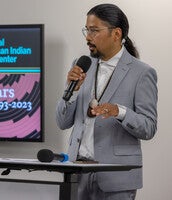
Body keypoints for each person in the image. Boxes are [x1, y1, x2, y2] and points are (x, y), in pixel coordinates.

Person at [56, 3, 157, 200]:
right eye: (87, 30)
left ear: (116, 34)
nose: (87, 37)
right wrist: (73, 91)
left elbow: (149, 127)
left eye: (94, 30)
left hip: (117, 177)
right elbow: (62, 122)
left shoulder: (142, 73)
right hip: (77, 172)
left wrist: (119, 111)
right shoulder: (82, 65)